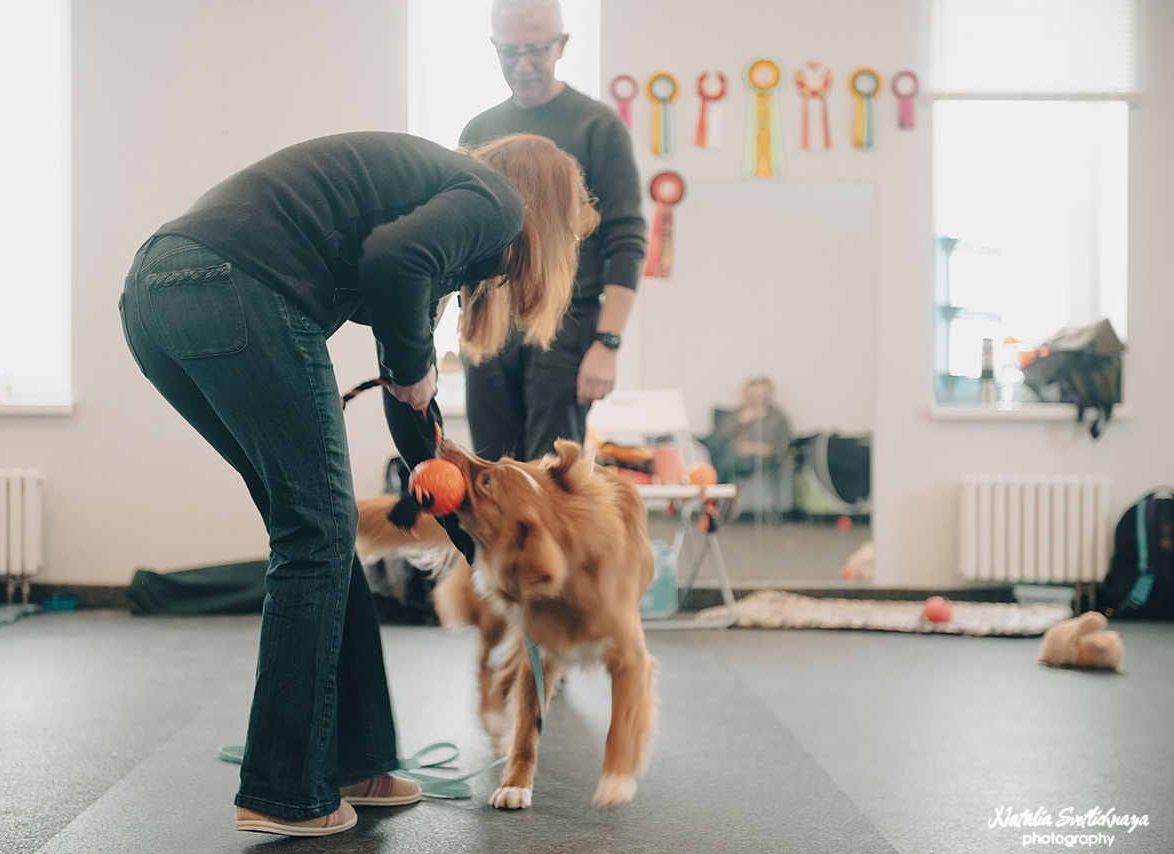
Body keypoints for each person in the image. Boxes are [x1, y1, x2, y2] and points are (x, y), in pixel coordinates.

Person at [118, 131, 598, 837]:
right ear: (545, 208)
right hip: (234, 287)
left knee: (316, 529)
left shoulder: (432, 223)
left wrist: (485, 557)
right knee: (316, 533)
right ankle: (286, 791)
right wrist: (411, 369)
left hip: (156, 298)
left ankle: (356, 762)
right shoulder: (492, 202)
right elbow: (394, 271)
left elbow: (413, 419)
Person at [459, 0, 647, 461]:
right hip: (489, 324)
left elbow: (627, 241)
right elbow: (458, 237)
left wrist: (608, 344)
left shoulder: (598, 126)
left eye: (536, 50)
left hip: (566, 327)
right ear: (493, 48)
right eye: (509, 52)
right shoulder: (480, 128)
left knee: (550, 479)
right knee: (492, 479)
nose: (522, 65)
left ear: (562, 45)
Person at [701, 376, 793, 484]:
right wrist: (742, 420)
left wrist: (753, 448)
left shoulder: (777, 418)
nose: (756, 400)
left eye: (760, 396)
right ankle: (715, 489)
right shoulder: (738, 414)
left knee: (726, 462)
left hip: (757, 457)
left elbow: (780, 448)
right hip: (731, 451)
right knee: (713, 439)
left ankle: (715, 492)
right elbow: (723, 435)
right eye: (752, 396)